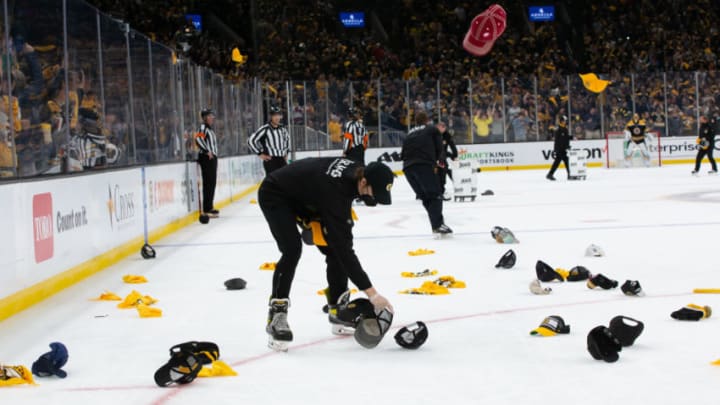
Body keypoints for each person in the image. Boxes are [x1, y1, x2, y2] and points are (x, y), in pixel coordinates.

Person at [258, 157, 395, 351]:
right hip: (275, 193)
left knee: (334, 249)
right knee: (292, 249)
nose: (373, 199)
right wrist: (372, 295)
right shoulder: (336, 192)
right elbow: (346, 252)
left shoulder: (355, 175)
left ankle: (338, 310)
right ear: (363, 182)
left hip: (305, 195)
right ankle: (277, 316)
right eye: (374, 193)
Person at [401, 111, 452, 236]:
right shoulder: (432, 130)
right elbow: (440, 149)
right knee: (435, 195)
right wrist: (440, 164)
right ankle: (438, 225)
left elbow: (402, 154)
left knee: (426, 198)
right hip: (423, 166)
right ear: (427, 120)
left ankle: (437, 225)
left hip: (408, 168)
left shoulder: (409, 133)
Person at [248, 105, 290, 175]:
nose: (277, 117)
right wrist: (260, 154)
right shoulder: (265, 129)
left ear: (281, 116)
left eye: (278, 115)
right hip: (270, 160)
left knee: (284, 181)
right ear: (271, 116)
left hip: (282, 160)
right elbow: (251, 141)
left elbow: (287, 140)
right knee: (273, 182)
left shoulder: (283, 129)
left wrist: (286, 153)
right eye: (274, 115)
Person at [195, 108, 219, 217]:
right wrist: (207, 151)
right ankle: (207, 208)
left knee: (212, 182)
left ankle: (209, 206)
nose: (212, 117)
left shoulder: (209, 129)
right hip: (206, 158)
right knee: (209, 182)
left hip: (211, 158)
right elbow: (198, 139)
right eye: (210, 115)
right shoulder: (203, 127)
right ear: (205, 117)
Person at [437, 122, 458, 200]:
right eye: (438, 128)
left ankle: (442, 189)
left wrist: (455, 155)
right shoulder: (434, 134)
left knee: (444, 169)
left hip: (443, 156)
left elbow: (452, 145)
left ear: (444, 128)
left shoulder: (447, 135)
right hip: (434, 156)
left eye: (441, 128)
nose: (439, 129)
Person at [546, 115, 571, 181]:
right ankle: (569, 174)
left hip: (562, 149)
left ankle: (550, 174)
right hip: (560, 149)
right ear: (562, 121)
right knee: (565, 161)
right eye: (565, 121)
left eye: (566, 121)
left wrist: (571, 138)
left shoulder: (564, 128)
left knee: (559, 162)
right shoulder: (559, 129)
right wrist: (565, 146)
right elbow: (560, 140)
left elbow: (565, 137)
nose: (566, 122)